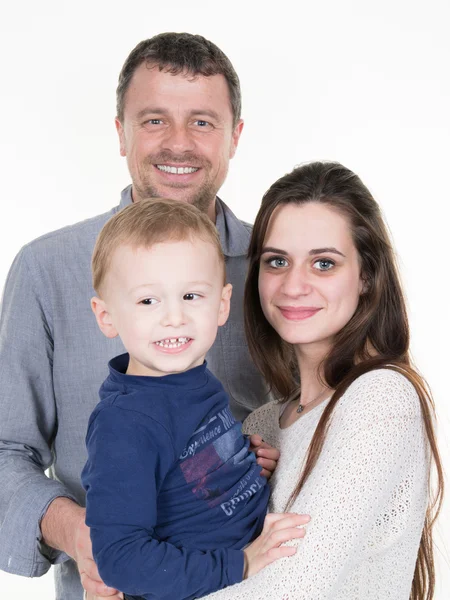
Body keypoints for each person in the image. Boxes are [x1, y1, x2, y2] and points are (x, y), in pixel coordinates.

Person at [0, 33, 270, 600]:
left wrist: (247, 455)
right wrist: (79, 533)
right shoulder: (46, 270)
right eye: (153, 120)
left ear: (234, 137)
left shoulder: (280, 268)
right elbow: (3, 452)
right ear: (120, 132)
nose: (179, 143)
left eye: (202, 122)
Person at [203, 161, 444, 600]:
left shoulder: (380, 398)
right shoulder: (261, 425)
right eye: (277, 261)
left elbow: (293, 587)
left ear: (367, 276)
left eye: (324, 264)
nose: (294, 286)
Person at [82, 198, 308, 600]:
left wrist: (240, 464)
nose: (174, 317)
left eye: (191, 296)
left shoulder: (192, 378)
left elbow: (187, 473)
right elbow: (121, 559)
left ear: (221, 305)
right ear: (106, 316)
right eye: (148, 300)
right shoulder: (125, 425)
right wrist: (241, 563)